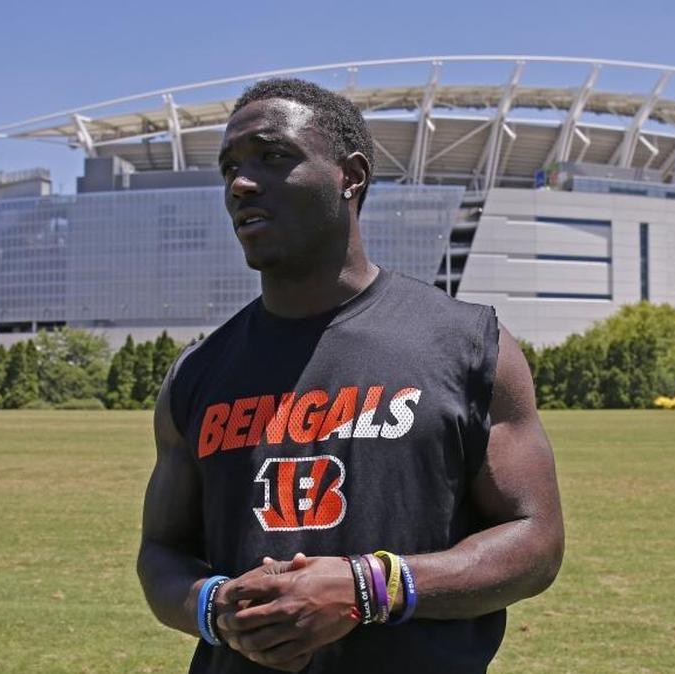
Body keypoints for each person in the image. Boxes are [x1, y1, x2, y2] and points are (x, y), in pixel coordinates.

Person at [137, 77, 564, 674]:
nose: (240, 184)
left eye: (273, 157)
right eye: (230, 167)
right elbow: (161, 551)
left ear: (351, 176)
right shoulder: (198, 371)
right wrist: (216, 607)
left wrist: (369, 587)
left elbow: (535, 541)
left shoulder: (467, 344)